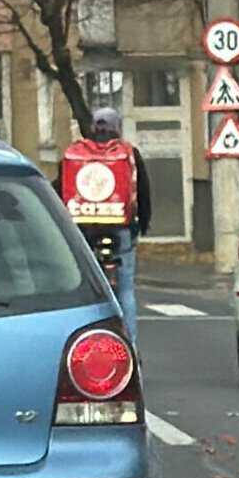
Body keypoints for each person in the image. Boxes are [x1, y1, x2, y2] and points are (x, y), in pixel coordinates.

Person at [60, 107, 151, 340]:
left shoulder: (76, 153)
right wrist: (143, 224)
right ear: (117, 127)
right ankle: (130, 343)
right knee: (126, 289)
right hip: (121, 226)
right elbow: (142, 191)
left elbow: (60, 187)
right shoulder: (129, 153)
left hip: (84, 227)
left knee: (84, 287)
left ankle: (88, 337)